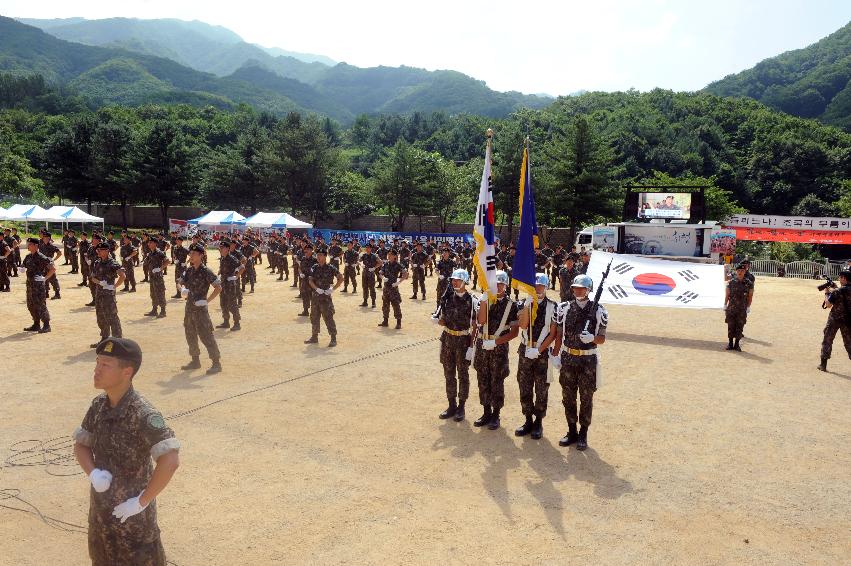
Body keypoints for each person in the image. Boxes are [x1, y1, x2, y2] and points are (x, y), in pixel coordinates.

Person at [72, 337, 180, 566]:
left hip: (134, 527)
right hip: (102, 520)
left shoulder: (143, 413)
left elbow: (170, 459)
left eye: (105, 365)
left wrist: (141, 501)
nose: (96, 370)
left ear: (126, 372)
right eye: (97, 362)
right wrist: (92, 473)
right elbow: (81, 444)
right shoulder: (98, 405)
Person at [552, 274, 608, 450]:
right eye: (576, 288)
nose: (578, 291)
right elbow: (560, 334)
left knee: (586, 398)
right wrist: (556, 354)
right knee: (568, 397)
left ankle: (583, 433)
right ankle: (571, 431)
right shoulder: (564, 308)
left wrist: (593, 337)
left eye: (582, 288)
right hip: (568, 358)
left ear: (589, 290)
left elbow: (602, 338)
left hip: (587, 360)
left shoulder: (599, 311)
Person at [473, 270, 519, 430]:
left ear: (506, 285)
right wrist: (484, 301)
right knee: (482, 379)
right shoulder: (485, 300)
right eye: (495, 284)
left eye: (501, 284)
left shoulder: (512, 305)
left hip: (498, 348)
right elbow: (480, 321)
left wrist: (495, 342)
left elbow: (514, 332)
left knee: (497, 380)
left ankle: (495, 414)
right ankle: (486, 412)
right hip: (482, 346)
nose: (498, 286)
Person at [515, 273, 559, 440]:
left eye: (541, 286)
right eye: (535, 286)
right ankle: (527, 420)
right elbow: (523, 325)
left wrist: (539, 350)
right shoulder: (524, 303)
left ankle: (538, 422)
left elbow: (553, 333)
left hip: (542, 354)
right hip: (525, 351)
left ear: (546, 287)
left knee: (541, 389)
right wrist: (527, 306)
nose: (538, 289)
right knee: (524, 386)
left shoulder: (554, 306)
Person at [434, 268, 476, 421]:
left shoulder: (472, 301)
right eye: (453, 279)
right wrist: (438, 320)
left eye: (457, 280)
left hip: (463, 341)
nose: (454, 282)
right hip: (448, 339)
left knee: (463, 375)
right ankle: (451, 405)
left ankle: (461, 407)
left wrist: (472, 347)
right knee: (448, 373)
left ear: (464, 281)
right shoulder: (447, 298)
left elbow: (476, 325)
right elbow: (443, 319)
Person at [178, 243, 223, 374]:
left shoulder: (206, 271)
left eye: (193, 254)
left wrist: (206, 301)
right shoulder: (189, 270)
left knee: (206, 335)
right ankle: (195, 360)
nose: (190, 256)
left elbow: (218, 287)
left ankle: (216, 363)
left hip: (200, 310)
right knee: (190, 334)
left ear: (201, 255)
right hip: (189, 309)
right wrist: (182, 290)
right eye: (190, 254)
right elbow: (179, 282)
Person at [90, 242, 126, 348]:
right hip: (99, 294)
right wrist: (99, 282)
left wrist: (114, 286)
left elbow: (122, 275)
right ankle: (104, 339)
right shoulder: (97, 262)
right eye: (98, 250)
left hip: (108, 295)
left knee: (112, 317)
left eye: (100, 250)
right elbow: (92, 277)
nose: (98, 252)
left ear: (106, 251)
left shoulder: (112, 263)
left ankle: (118, 341)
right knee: (101, 317)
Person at [306, 248, 343, 347]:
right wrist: (316, 289)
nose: (318, 257)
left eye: (320, 255)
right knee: (314, 317)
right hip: (315, 297)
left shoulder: (331, 267)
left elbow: (341, 278)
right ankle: (314, 337)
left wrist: (333, 289)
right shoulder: (314, 267)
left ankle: (333, 338)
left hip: (326, 297)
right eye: (317, 255)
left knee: (328, 317)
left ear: (325, 256)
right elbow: (310, 281)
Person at [819, 270, 851, 371]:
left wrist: (827, 293)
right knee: (849, 342)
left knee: (828, 340)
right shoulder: (840, 290)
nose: (839, 279)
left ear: (844, 278)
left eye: (840, 277)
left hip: (835, 319)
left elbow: (828, 304)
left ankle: (823, 365)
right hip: (848, 320)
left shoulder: (837, 292)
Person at [22, 237, 55, 333]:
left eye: (30, 244)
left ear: (36, 246)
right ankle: (36, 324)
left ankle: (46, 325)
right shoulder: (28, 257)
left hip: (38, 286)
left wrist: (45, 278)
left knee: (40, 304)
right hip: (29, 285)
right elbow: (23, 265)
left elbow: (52, 269)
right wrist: (22, 268)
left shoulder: (41, 257)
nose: (28, 246)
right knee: (30, 305)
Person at [216, 240, 245, 331]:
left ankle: (237, 323)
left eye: (222, 248)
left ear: (228, 249)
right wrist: (219, 274)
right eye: (220, 248)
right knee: (223, 303)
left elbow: (242, 267)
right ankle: (226, 322)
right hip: (223, 284)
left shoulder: (232, 258)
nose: (220, 249)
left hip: (230, 286)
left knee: (232, 304)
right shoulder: (222, 258)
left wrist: (236, 277)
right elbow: (222, 269)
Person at [725, 263, 753, 351]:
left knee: (740, 326)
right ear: (736, 271)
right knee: (731, 326)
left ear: (745, 271)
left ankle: (737, 344)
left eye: (742, 271)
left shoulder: (749, 283)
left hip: (742, 309)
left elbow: (750, 296)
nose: (740, 272)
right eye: (739, 271)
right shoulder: (731, 282)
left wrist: (748, 306)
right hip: (731, 308)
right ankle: (730, 344)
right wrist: (725, 304)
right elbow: (727, 295)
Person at [378, 248, 408, 329]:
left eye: (390, 254)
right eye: (388, 254)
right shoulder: (386, 264)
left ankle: (398, 322)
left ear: (395, 256)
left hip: (393, 288)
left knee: (396, 305)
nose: (388, 255)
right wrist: (383, 277)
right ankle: (385, 321)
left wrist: (398, 282)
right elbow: (380, 273)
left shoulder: (398, 265)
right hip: (386, 288)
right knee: (385, 305)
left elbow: (406, 274)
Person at [143, 238, 169, 318]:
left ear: (155, 244)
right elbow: (146, 262)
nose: (149, 244)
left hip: (158, 277)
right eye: (148, 243)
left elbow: (167, 261)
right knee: (153, 293)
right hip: (152, 277)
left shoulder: (159, 252)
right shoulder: (150, 253)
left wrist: (160, 269)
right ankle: (154, 310)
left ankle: (163, 311)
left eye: (150, 243)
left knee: (160, 293)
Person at [39, 230, 62, 300]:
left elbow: (59, 253)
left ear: (49, 238)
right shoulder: (41, 245)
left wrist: (53, 259)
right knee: (44, 278)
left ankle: (57, 293)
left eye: (45, 237)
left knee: (53, 279)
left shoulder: (52, 246)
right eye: (44, 237)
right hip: (43, 264)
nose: (44, 238)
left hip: (49, 264)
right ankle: (46, 293)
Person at [298, 243, 318, 316]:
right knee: (304, 296)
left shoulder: (315, 260)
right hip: (304, 281)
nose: (307, 251)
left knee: (313, 297)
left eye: (308, 250)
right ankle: (305, 311)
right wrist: (300, 273)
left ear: (312, 251)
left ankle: (315, 312)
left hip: (312, 281)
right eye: (306, 250)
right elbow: (299, 268)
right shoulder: (303, 258)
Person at [359, 242, 380, 308]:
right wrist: (361, 264)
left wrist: (374, 268)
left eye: (369, 248)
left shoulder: (374, 255)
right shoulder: (364, 255)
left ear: (371, 248)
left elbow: (380, 262)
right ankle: (365, 301)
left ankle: (373, 302)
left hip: (371, 274)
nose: (367, 249)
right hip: (364, 274)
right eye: (366, 248)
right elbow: (358, 261)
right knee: (365, 288)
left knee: (371, 288)